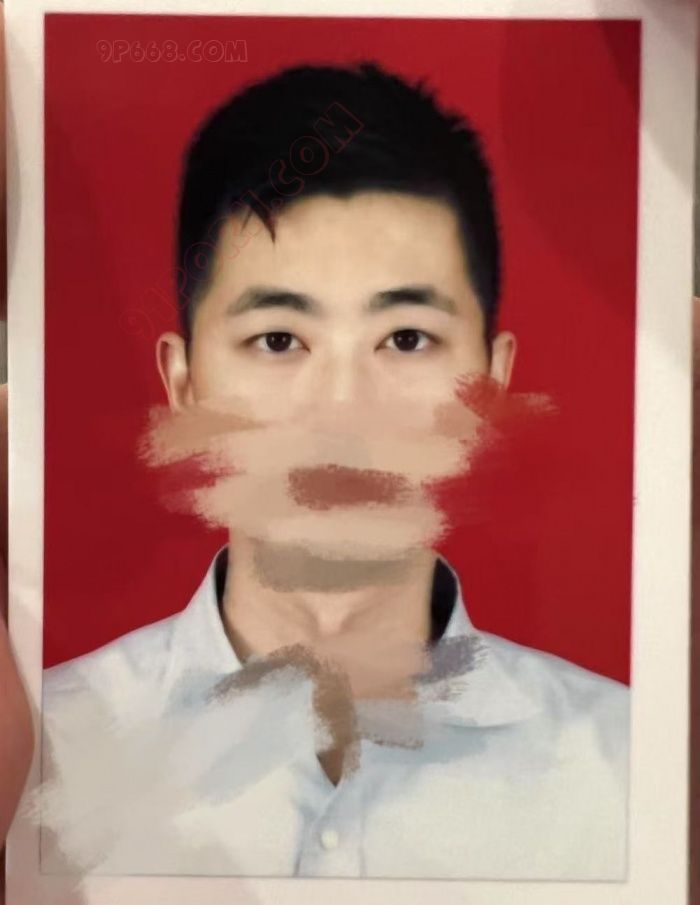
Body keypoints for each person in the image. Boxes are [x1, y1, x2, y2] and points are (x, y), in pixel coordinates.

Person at [27, 60, 632, 880]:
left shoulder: (633, 767)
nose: (343, 411)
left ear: (490, 385)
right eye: (278, 339)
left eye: (406, 339)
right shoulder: (39, 755)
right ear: (184, 385)